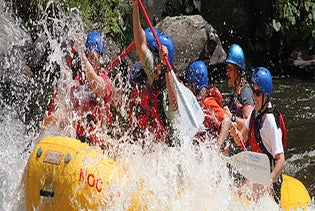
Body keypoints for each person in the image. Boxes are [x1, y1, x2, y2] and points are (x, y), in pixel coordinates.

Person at [44, 31, 113, 149]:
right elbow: (67, 111)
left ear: (101, 59)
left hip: (95, 146)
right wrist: (52, 118)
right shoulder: (78, 81)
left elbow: (95, 84)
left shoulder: (104, 80)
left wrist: (83, 55)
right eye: (89, 56)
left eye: (94, 57)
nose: (91, 61)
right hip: (77, 142)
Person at [233, 67, 285, 203]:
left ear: (266, 95)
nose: (254, 97)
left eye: (257, 93)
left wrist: (268, 181)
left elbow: (281, 161)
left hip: (271, 182)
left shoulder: (270, 122)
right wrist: (234, 132)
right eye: (253, 91)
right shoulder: (255, 113)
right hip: (258, 175)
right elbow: (241, 139)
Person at [132, 0, 180, 147]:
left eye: (157, 58)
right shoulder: (153, 72)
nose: (153, 63)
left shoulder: (172, 87)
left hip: (168, 150)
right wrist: (135, 7)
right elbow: (140, 45)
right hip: (150, 147)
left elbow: (174, 104)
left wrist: (165, 67)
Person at [186, 60, 231, 151]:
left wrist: (217, 148)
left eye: (190, 85)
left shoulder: (207, 102)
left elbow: (227, 121)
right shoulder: (198, 105)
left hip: (218, 154)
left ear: (193, 86)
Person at [222, 44, 254, 152]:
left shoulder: (246, 92)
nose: (227, 72)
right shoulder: (235, 93)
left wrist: (232, 117)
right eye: (227, 68)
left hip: (244, 152)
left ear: (238, 71)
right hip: (233, 148)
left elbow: (249, 123)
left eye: (230, 69)